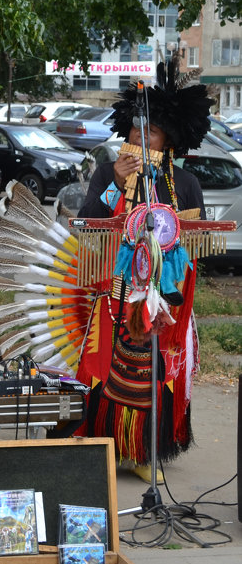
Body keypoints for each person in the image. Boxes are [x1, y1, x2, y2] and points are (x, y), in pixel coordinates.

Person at [75, 57, 213, 482]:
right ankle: (107, 446)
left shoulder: (184, 183)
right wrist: (115, 184)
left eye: (148, 131)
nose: (138, 136)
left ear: (167, 139)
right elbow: (86, 225)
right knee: (110, 371)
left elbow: (194, 247)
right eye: (134, 129)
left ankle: (143, 451)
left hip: (164, 297)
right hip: (115, 291)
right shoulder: (106, 171)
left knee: (155, 372)